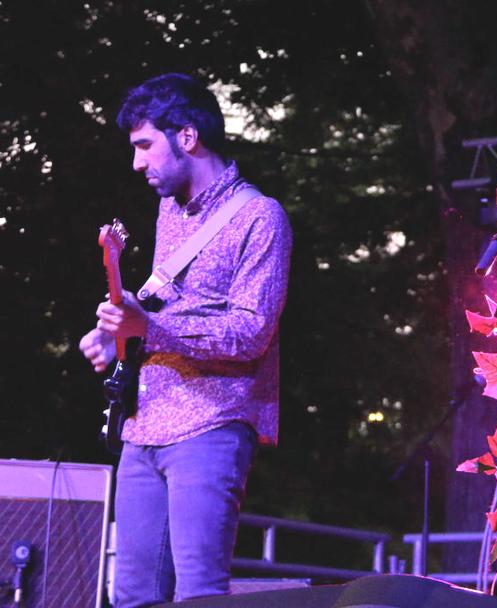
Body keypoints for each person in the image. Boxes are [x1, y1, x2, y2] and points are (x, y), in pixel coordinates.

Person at [78, 73, 292, 607]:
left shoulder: (260, 217)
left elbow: (251, 332)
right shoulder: (169, 211)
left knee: (199, 596)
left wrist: (151, 328)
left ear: (188, 137)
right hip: (143, 424)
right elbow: (166, 304)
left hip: (211, 424)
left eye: (145, 146)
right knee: (131, 596)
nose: (137, 163)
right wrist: (122, 335)